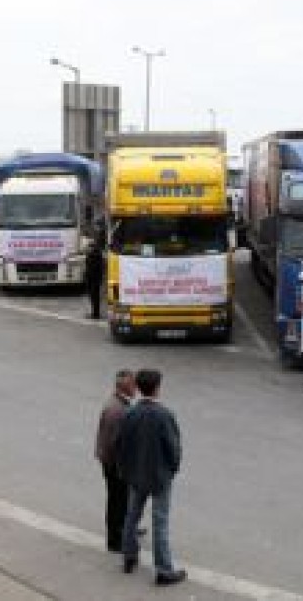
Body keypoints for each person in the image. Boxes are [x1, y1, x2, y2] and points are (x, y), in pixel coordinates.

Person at [116, 368, 185, 586]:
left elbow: (120, 444)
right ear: (156, 389)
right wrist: (173, 469)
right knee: (160, 521)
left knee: (132, 515)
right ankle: (163, 569)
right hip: (160, 476)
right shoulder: (164, 415)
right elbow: (173, 448)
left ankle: (129, 556)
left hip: (136, 474)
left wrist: (127, 469)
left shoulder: (130, 412)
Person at [95, 369, 137, 553]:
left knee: (122, 498)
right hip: (115, 465)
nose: (136, 387)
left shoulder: (119, 404)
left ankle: (125, 526)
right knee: (117, 500)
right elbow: (113, 445)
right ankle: (115, 539)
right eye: (134, 384)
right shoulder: (117, 410)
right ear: (126, 387)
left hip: (113, 462)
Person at [85, 240, 105, 320]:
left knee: (94, 296)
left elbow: (93, 268)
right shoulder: (93, 254)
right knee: (93, 296)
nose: (88, 248)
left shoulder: (95, 255)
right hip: (92, 278)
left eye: (90, 247)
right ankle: (94, 312)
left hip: (94, 279)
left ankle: (96, 314)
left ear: (93, 247)